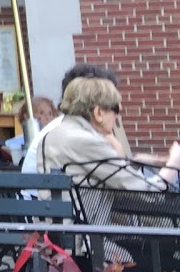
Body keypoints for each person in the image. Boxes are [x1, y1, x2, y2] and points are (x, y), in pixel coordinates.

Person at [38, 76, 180, 194]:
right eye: (116, 110)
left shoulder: (52, 135)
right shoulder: (87, 141)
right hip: (86, 226)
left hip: (57, 223)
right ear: (98, 112)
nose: (117, 116)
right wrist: (174, 161)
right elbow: (147, 191)